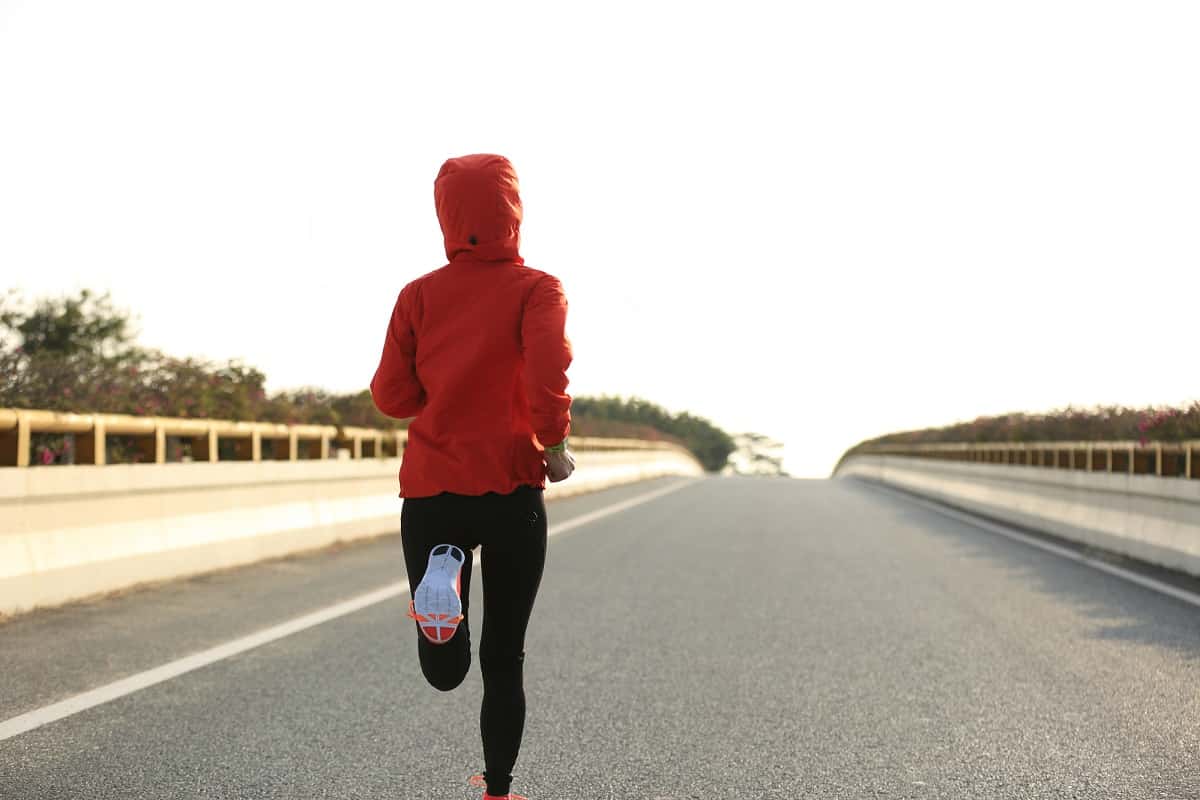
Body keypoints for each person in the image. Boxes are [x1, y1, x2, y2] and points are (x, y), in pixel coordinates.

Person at [370, 153, 575, 800]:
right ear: (513, 211)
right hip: (512, 486)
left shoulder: (418, 294)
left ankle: (443, 594)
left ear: (446, 214)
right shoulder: (538, 288)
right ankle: (498, 790)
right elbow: (549, 372)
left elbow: (392, 396)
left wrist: (441, 385)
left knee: (447, 670)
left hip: (431, 491)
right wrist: (556, 443)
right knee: (504, 657)